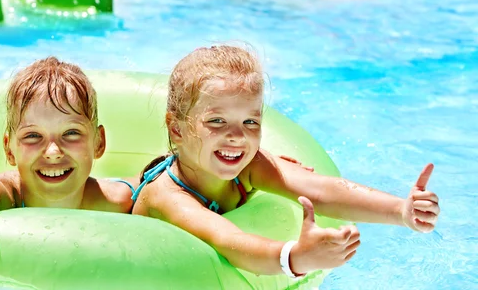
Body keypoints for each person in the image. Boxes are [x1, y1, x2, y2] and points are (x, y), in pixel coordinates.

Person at [131, 45, 440, 277]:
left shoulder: (249, 164)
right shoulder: (169, 197)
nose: (237, 136)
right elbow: (228, 240)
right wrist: (297, 258)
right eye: (217, 121)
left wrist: (401, 210)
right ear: (177, 129)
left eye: (250, 122)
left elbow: (322, 190)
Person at [0, 57, 138, 235]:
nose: (52, 152)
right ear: (9, 149)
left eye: (70, 133)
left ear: (98, 143)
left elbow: (150, 182)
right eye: (32, 136)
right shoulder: (8, 195)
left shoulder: (115, 200)